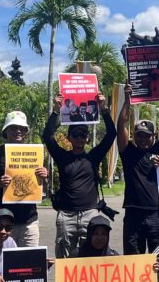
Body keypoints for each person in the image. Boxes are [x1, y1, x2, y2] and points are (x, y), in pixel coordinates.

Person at [43, 91, 115, 258]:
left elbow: (111, 135)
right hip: (66, 215)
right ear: (69, 138)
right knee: (64, 260)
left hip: (89, 214)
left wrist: (104, 109)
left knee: (89, 259)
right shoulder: (62, 157)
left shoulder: (93, 157)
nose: (79, 138)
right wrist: (55, 111)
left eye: (83, 135)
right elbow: (48, 136)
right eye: (75, 135)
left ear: (87, 138)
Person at [117, 82, 159, 255]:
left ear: (153, 137)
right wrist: (127, 98)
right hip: (133, 214)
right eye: (139, 136)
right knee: (134, 261)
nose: (143, 139)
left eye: (147, 136)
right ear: (134, 136)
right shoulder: (128, 152)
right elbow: (121, 124)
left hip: (157, 214)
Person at [0, 111, 46, 248]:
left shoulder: (34, 155)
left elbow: (42, 185)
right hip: (3, 224)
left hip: (29, 221)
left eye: (21, 128)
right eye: (13, 128)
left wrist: (45, 176)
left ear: (26, 131)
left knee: (30, 262)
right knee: (4, 264)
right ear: (6, 130)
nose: (18, 131)